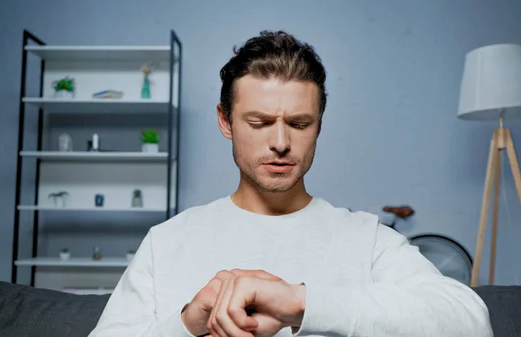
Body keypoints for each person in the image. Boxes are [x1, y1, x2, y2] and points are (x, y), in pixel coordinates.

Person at [88, 30, 493, 337]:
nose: (281, 143)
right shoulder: (167, 241)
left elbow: (471, 322)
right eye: (260, 123)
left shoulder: (365, 239)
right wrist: (187, 322)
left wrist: (300, 303)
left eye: (299, 124)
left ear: (318, 126)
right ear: (225, 121)